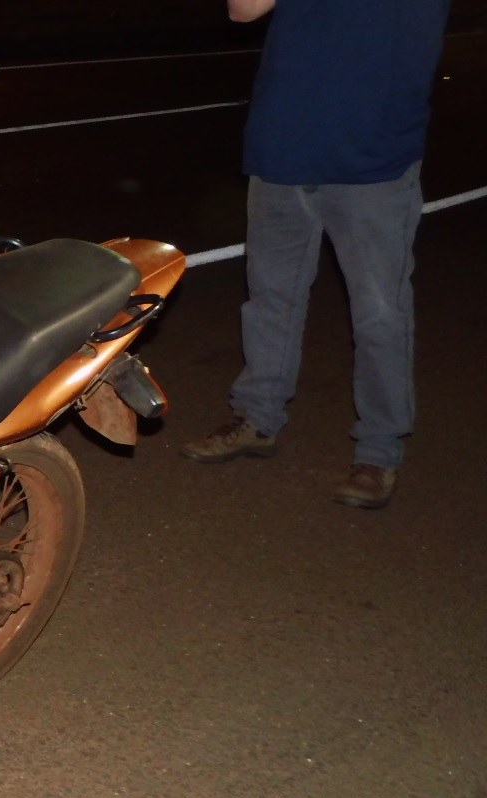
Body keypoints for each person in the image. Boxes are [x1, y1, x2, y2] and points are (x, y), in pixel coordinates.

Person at [182, 0, 451, 509]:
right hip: (282, 147)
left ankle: (379, 450)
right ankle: (257, 417)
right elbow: (242, 10)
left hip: (372, 157)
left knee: (380, 314)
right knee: (270, 299)